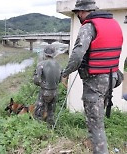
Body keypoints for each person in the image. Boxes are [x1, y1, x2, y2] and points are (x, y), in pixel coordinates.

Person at [62, 0, 123, 153]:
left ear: (82, 12)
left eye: (77, 14)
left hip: (95, 82)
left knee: (95, 127)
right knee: (98, 119)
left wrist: (65, 73)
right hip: (111, 79)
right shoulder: (114, 23)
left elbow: (77, 55)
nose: (78, 16)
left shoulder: (88, 27)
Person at [33, 45, 62, 128]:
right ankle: (51, 129)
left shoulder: (41, 64)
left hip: (44, 91)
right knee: (51, 113)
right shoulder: (59, 65)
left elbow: (36, 80)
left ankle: (38, 129)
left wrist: (41, 83)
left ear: (45, 54)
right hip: (55, 92)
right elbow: (60, 80)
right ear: (54, 54)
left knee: (39, 112)